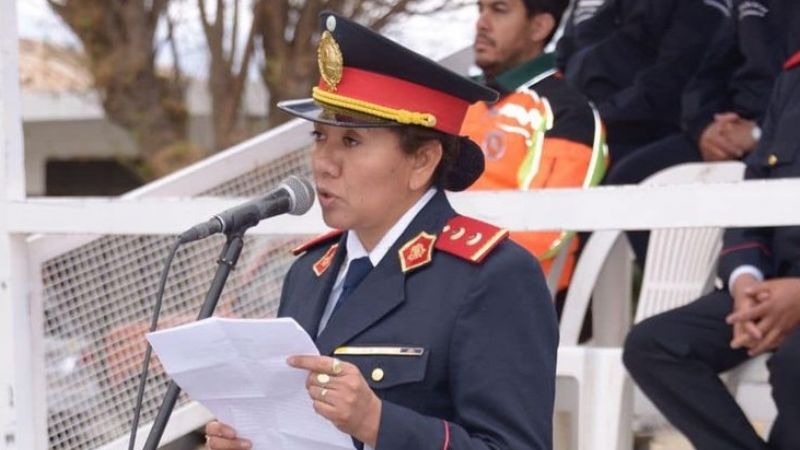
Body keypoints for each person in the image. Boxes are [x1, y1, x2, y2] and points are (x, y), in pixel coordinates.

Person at [204, 11, 558, 450]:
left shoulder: (492, 276)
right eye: (319, 137)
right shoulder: (309, 271)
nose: (324, 163)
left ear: (422, 161)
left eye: (350, 142)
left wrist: (378, 423)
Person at [622, 45, 800, 449]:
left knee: (794, 366)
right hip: (772, 285)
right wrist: (745, 283)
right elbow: (754, 194)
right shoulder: (791, 78)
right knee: (655, 345)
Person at [603, 0, 787, 265]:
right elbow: (708, 75)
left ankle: (752, 281)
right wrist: (704, 128)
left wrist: (760, 132)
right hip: (730, 128)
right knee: (632, 178)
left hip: (782, 134)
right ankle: (683, 293)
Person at [461, 0, 607, 292]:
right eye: (481, 10)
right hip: (429, 275)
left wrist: (448, 261)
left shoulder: (568, 111)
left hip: (514, 294)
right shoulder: (457, 98)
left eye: (499, 10)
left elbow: (547, 229)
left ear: (539, 26)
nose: (482, 23)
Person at [556, 0, 730, 164]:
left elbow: (669, 82)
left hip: (639, 132)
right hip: (580, 124)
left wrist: (594, 119)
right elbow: (564, 58)